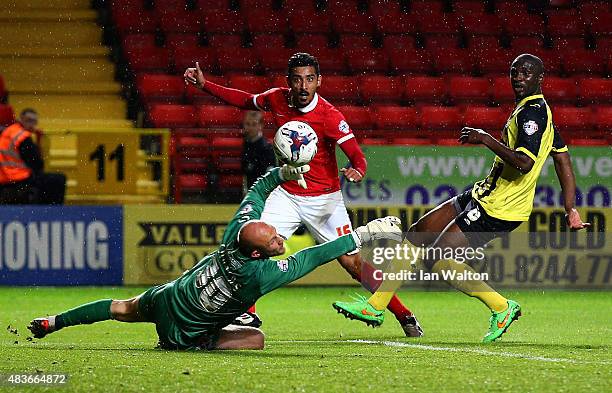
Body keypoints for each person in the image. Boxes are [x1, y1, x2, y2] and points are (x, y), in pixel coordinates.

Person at [332, 53, 590, 343]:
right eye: (515, 72)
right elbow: (563, 160)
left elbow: (524, 162)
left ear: (540, 78)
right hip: (485, 193)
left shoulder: (533, 114)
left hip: (501, 207)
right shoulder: (537, 112)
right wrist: (571, 209)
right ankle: (376, 307)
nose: (519, 77)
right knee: (418, 233)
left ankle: (502, 307)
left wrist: (485, 138)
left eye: (527, 73)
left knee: (437, 257)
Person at [28, 165, 404, 350]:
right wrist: (367, 232)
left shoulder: (236, 231)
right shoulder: (259, 276)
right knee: (255, 339)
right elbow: (315, 256)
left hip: (168, 297)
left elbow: (258, 189)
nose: (279, 238)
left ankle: (53, 322)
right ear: (257, 252)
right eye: (273, 240)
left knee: (120, 307)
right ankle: (198, 340)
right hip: (186, 332)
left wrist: (283, 172)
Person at [184, 53, 423, 337]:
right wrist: (205, 85)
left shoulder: (330, 116)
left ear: (318, 81)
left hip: (325, 200)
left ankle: (404, 314)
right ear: (289, 81)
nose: (302, 86)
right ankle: (248, 316)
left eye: (309, 79)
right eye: (297, 79)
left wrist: (357, 170)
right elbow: (245, 101)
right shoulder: (277, 99)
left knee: (353, 264)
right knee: (251, 246)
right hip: (286, 193)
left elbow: (358, 158)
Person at [0, 108, 66, 204]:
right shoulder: (23, 137)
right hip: (19, 180)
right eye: (29, 121)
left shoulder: (10, 131)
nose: (32, 125)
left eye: (34, 122)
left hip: (5, 178)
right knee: (58, 180)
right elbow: (38, 164)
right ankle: (52, 214)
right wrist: (38, 142)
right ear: (21, 119)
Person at [241, 110, 275, 191]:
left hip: (262, 190)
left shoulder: (267, 147)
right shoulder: (246, 144)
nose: (250, 128)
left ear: (260, 125)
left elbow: (270, 172)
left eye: (254, 124)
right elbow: (245, 172)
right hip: (250, 188)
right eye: (248, 124)